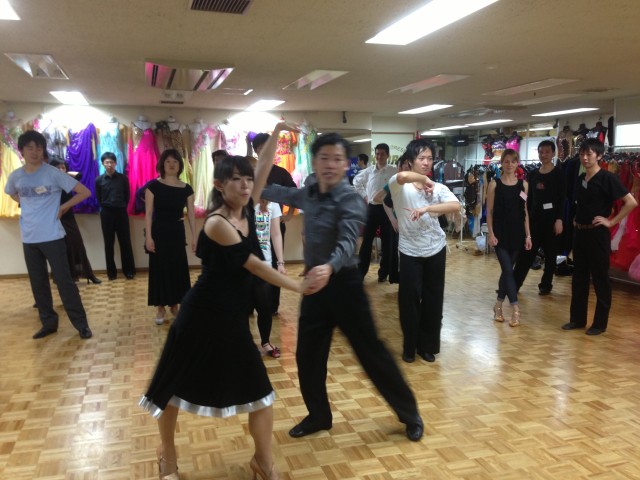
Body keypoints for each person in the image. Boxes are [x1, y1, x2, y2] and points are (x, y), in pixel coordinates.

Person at [139, 123, 303, 480]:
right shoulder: (216, 223)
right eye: (236, 180)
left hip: (232, 318)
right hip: (199, 316)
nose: (245, 185)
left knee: (261, 393)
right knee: (170, 389)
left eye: (248, 180)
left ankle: (263, 463)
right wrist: (298, 286)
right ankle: (167, 456)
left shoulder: (247, 208)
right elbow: (254, 265)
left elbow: (263, 167)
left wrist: (277, 130)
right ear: (218, 185)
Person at [262, 132, 424, 442]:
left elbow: (349, 240)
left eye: (337, 159)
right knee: (308, 356)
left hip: (345, 285)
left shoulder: (350, 197)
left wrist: (329, 267)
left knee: (371, 353)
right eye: (324, 158)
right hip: (315, 287)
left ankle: (409, 414)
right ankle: (319, 416)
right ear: (315, 162)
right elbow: (278, 191)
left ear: (344, 165)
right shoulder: (309, 193)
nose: (330, 164)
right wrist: (253, 185)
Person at [4, 131, 93, 339]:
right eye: (30, 148)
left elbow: (84, 192)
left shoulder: (53, 173)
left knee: (64, 282)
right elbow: (11, 192)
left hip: (53, 236)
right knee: (38, 283)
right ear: (22, 150)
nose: (34, 152)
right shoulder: (16, 176)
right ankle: (49, 323)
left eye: (39, 147)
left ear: (43, 150)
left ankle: (81, 325)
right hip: (29, 238)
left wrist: (63, 207)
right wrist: (25, 203)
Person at [387, 140, 460, 363]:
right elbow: (402, 176)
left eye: (429, 158)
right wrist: (424, 179)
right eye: (421, 158)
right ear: (410, 161)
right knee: (409, 301)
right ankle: (410, 346)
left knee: (433, 300)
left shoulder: (437, 188)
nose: (427, 162)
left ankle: (427, 346)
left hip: (436, 249)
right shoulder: (399, 185)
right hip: (410, 251)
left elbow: (455, 205)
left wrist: (428, 207)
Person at [561, 138, 637, 335]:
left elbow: (631, 202)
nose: (585, 158)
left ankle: (599, 324)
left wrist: (611, 222)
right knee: (579, 278)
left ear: (599, 156)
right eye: (582, 154)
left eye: (589, 154)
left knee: (600, 279)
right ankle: (577, 319)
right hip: (580, 233)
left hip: (598, 235)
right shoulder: (581, 178)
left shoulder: (607, 178)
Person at [144, 149, 196, 325]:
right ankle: (160, 307)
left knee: (177, 267)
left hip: (176, 231)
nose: (172, 164)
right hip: (159, 231)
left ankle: (174, 305)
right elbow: (148, 214)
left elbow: (191, 214)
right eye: (168, 161)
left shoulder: (186, 189)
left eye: (175, 161)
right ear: (162, 165)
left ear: (180, 165)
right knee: (159, 268)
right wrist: (148, 237)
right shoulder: (153, 186)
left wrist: (194, 237)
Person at [250, 132, 297, 316]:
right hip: (252, 227)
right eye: (261, 148)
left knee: (275, 263)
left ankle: (272, 305)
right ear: (256, 151)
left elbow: (294, 193)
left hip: (275, 224)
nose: (265, 151)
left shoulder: (280, 172)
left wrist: (290, 214)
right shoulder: (251, 172)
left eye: (268, 148)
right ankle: (250, 303)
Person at [487, 149, 533, 327]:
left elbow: (525, 211)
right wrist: (491, 233)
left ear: (517, 163)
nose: (509, 165)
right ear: (502, 163)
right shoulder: (494, 184)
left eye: (513, 161)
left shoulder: (524, 185)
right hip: (500, 235)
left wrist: (528, 235)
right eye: (506, 161)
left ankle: (498, 306)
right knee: (508, 270)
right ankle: (515, 309)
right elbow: (489, 212)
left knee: (507, 272)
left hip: (517, 234)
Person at [513, 140, 565, 295]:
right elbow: (527, 194)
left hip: (552, 220)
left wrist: (559, 219)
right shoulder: (533, 174)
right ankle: (514, 285)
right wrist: (519, 200)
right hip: (534, 220)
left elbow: (562, 199)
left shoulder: (559, 174)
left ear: (553, 153)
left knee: (550, 255)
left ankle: (546, 285)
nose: (544, 155)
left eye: (547, 152)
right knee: (526, 254)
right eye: (541, 152)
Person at [48, 157, 101, 284]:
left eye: (63, 167)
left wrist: (63, 173)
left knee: (77, 245)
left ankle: (89, 275)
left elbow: (79, 175)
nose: (61, 169)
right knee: (60, 249)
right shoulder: (49, 182)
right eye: (58, 167)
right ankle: (64, 277)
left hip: (68, 217)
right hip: (55, 218)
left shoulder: (68, 180)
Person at [354, 143, 397, 282]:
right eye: (377, 154)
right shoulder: (369, 171)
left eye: (382, 154)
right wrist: (365, 196)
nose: (379, 156)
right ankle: (361, 272)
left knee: (387, 242)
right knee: (366, 241)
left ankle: (383, 273)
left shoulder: (393, 171)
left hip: (387, 209)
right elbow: (356, 182)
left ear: (388, 155)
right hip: (372, 208)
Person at [252, 198, 286, 357]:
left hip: (264, 263)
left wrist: (280, 262)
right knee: (241, 307)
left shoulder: (272, 203)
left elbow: (276, 234)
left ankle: (265, 342)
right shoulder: (241, 200)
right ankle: (243, 344)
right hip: (242, 263)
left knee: (265, 306)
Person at [95, 152, 136, 280]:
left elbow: (127, 196)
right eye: (107, 162)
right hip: (106, 213)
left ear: (116, 163)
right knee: (108, 243)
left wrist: (121, 206)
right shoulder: (99, 180)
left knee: (125, 242)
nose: (109, 164)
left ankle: (129, 271)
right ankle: (111, 273)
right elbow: (98, 198)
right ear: (103, 164)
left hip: (121, 212)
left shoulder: (123, 178)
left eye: (111, 162)